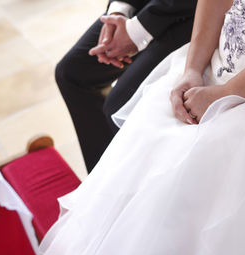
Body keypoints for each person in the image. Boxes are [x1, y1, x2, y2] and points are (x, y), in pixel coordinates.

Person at [41, 0, 245, 255]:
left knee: (226, 180)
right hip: (221, 58)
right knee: (152, 170)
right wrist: (192, 70)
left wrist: (230, 93)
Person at [56, 0, 197, 173]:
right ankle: (100, 180)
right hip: (143, 3)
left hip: (193, 14)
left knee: (120, 106)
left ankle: (134, 186)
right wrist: (118, 11)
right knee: (72, 73)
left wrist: (138, 31)